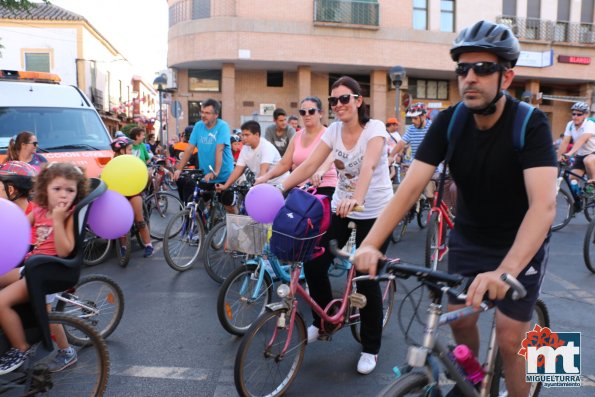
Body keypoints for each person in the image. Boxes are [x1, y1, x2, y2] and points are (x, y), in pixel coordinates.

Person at [354, 20, 557, 397]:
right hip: (469, 237)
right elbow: (410, 187)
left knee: (511, 337)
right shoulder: (448, 121)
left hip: (520, 244)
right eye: (463, 69)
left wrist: (506, 271)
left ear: (506, 77)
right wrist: (370, 244)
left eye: (483, 68)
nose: (470, 77)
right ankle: (475, 384)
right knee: (460, 322)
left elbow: (544, 207)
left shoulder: (532, 124)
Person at [279, 76, 392, 375]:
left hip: (376, 210)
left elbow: (367, 166)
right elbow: (308, 166)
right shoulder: (334, 132)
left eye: (344, 98)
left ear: (358, 100)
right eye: (333, 100)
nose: (338, 105)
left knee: (366, 280)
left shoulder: (375, 129)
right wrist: (279, 189)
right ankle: (325, 321)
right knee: (315, 263)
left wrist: (356, 199)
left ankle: (370, 347)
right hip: (343, 206)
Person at [0, 162, 89, 375]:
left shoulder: (68, 214)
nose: (63, 195)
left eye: (70, 190)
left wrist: (57, 221)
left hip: (50, 272)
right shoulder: (39, 207)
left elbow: (65, 249)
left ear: (77, 193)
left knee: (8, 304)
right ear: (45, 188)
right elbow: (20, 226)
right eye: (57, 189)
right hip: (33, 266)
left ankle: (28, 348)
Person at [257, 96, 336, 190]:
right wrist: (265, 177)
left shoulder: (328, 133)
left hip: (323, 186)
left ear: (320, 113)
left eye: (311, 111)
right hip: (299, 187)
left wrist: (320, 172)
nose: (307, 114)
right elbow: (284, 164)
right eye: (303, 112)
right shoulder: (297, 136)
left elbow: (331, 157)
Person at [216, 120, 288, 211]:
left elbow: (263, 172)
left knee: (271, 215)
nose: (243, 138)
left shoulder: (266, 147)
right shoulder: (245, 148)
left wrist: (255, 189)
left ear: (257, 135)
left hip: (279, 185)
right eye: (242, 135)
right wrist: (225, 186)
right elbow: (238, 169)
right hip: (264, 184)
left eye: (247, 135)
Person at [173, 99, 234, 191]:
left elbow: (219, 150)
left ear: (216, 115)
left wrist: (215, 172)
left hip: (223, 175)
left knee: (227, 204)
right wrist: (179, 169)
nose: (203, 115)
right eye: (202, 112)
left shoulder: (223, 126)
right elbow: (189, 148)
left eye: (207, 113)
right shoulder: (198, 126)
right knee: (200, 202)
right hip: (206, 175)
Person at [111, 136, 155, 258]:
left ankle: (148, 245)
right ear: (121, 151)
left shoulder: (133, 162)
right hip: (119, 195)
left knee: (140, 220)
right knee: (121, 223)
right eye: (129, 149)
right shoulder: (113, 165)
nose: (131, 152)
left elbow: (142, 174)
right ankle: (123, 246)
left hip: (134, 193)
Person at [556, 102, 595, 180]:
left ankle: (593, 181)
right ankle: (579, 192)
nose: (575, 116)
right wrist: (558, 158)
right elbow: (565, 142)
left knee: (588, 160)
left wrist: (569, 153)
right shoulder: (570, 125)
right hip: (581, 155)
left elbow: (582, 140)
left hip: (593, 152)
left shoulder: (590, 124)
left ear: (586, 115)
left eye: (579, 114)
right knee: (572, 178)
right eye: (573, 114)